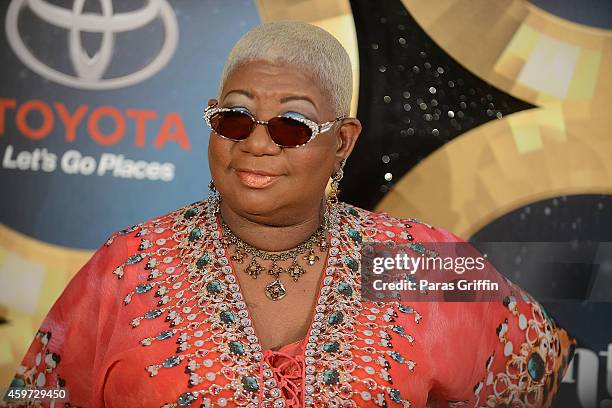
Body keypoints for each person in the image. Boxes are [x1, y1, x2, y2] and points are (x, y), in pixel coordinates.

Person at [3, 21, 575, 408]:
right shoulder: (129, 267)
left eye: (291, 125)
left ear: (343, 142)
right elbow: (36, 395)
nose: (256, 143)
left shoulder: (411, 262)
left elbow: (535, 365)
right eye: (234, 118)